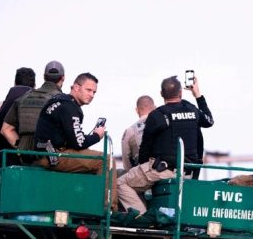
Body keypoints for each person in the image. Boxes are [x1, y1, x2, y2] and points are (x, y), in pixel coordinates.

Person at [117, 75, 213, 214]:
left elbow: (145, 149)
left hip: (162, 171)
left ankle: (142, 218)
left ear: (161, 94)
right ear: (180, 93)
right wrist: (197, 94)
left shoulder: (157, 115)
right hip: (188, 173)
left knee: (121, 182)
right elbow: (209, 121)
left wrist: (143, 168)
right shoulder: (192, 109)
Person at [34, 72, 118, 210]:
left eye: (94, 92)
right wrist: (97, 136)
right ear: (76, 87)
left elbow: (73, 137)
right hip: (53, 156)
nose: (91, 95)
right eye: (88, 90)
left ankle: (89, 204)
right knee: (107, 161)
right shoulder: (70, 107)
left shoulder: (59, 100)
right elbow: (78, 143)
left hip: (47, 153)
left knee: (94, 159)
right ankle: (109, 210)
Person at [1, 60, 65, 152]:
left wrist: (21, 147)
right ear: (63, 78)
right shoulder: (63, 101)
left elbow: (6, 129)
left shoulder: (23, 98)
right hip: (50, 157)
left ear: (44, 77)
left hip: (25, 155)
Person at [0, 67, 35, 165]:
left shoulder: (0, 107)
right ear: (34, 86)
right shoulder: (37, 109)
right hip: (25, 162)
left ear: (14, 83)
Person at [120, 95, 155, 171]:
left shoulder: (130, 130)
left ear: (136, 110)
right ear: (155, 108)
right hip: (164, 169)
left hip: (141, 172)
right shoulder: (164, 124)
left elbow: (126, 158)